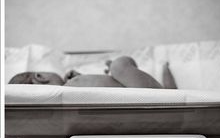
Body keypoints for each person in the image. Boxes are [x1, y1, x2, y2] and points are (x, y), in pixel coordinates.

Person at [9, 56, 177, 89]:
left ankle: (165, 70)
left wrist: (80, 77)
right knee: (119, 65)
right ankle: (164, 69)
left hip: (135, 92)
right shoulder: (66, 90)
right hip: (143, 96)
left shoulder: (70, 87)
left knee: (172, 95)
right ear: (40, 77)